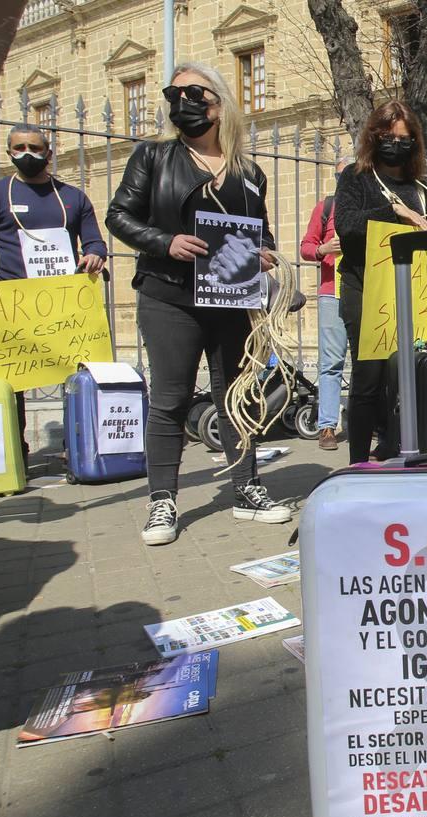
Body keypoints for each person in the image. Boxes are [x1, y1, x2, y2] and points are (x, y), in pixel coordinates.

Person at [106, 60, 291, 546]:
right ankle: (162, 501)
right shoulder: (154, 157)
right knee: (170, 400)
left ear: (221, 105)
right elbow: (119, 216)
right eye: (175, 95)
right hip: (169, 295)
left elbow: (261, 231)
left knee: (236, 394)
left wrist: (267, 251)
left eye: (196, 95)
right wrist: (165, 242)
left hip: (232, 299)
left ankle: (246, 486)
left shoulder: (249, 172)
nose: (183, 103)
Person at [0, 122, 108, 458]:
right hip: (12, 301)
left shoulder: (73, 197)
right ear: (9, 153)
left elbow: (95, 241)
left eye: (34, 148)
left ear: (49, 153)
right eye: (19, 148)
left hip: (65, 302)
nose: (27, 154)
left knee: (75, 376)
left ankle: (77, 446)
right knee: (9, 381)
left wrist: (94, 254)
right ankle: (15, 449)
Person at [333, 100, 427, 465]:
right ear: (374, 136)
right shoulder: (355, 177)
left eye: (405, 138)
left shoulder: (420, 189)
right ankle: (358, 461)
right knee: (368, 378)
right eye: (388, 136)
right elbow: (345, 227)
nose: (396, 143)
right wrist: (393, 211)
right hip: (363, 289)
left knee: (402, 378)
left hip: (409, 296)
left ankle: (392, 449)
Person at [299, 156, 353, 452]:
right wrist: (324, 248)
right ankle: (328, 427)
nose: (344, 182)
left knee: (365, 362)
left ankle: (362, 422)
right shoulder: (325, 207)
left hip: (362, 291)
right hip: (331, 292)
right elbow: (306, 246)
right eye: (340, 176)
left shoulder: (368, 208)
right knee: (331, 363)